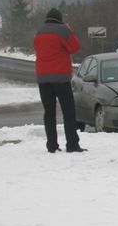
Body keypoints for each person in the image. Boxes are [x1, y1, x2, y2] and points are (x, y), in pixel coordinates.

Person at [33, 8, 85, 153]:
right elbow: (75, 47)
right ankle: (72, 144)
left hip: (43, 78)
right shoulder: (63, 30)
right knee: (68, 111)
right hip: (60, 77)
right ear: (60, 19)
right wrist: (69, 30)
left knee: (49, 113)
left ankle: (52, 145)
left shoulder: (40, 31)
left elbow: (37, 48)